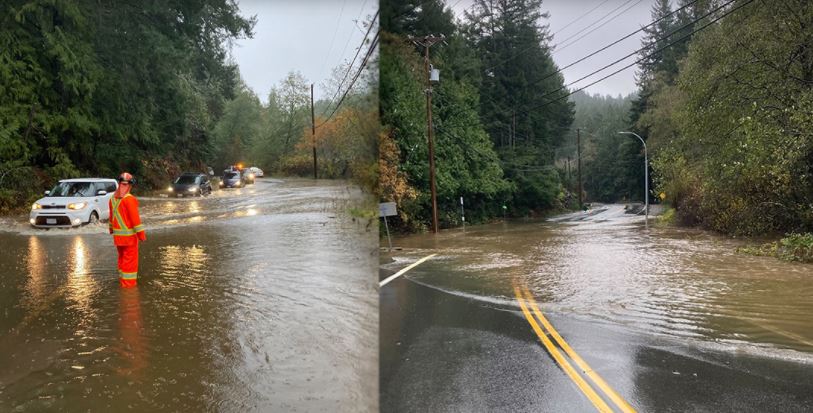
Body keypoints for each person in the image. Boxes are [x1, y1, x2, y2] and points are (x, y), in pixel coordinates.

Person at [109, 172, 146, 287]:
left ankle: (122, 280)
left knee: (122, 259)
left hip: (118, 238)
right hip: (129, 238)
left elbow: (111, 218)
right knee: (130, 261)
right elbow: (135, 220)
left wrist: (111, 230)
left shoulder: (112, 199)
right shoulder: (130, 199)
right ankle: (128, 287)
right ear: (130, 185)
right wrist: (141, 235)